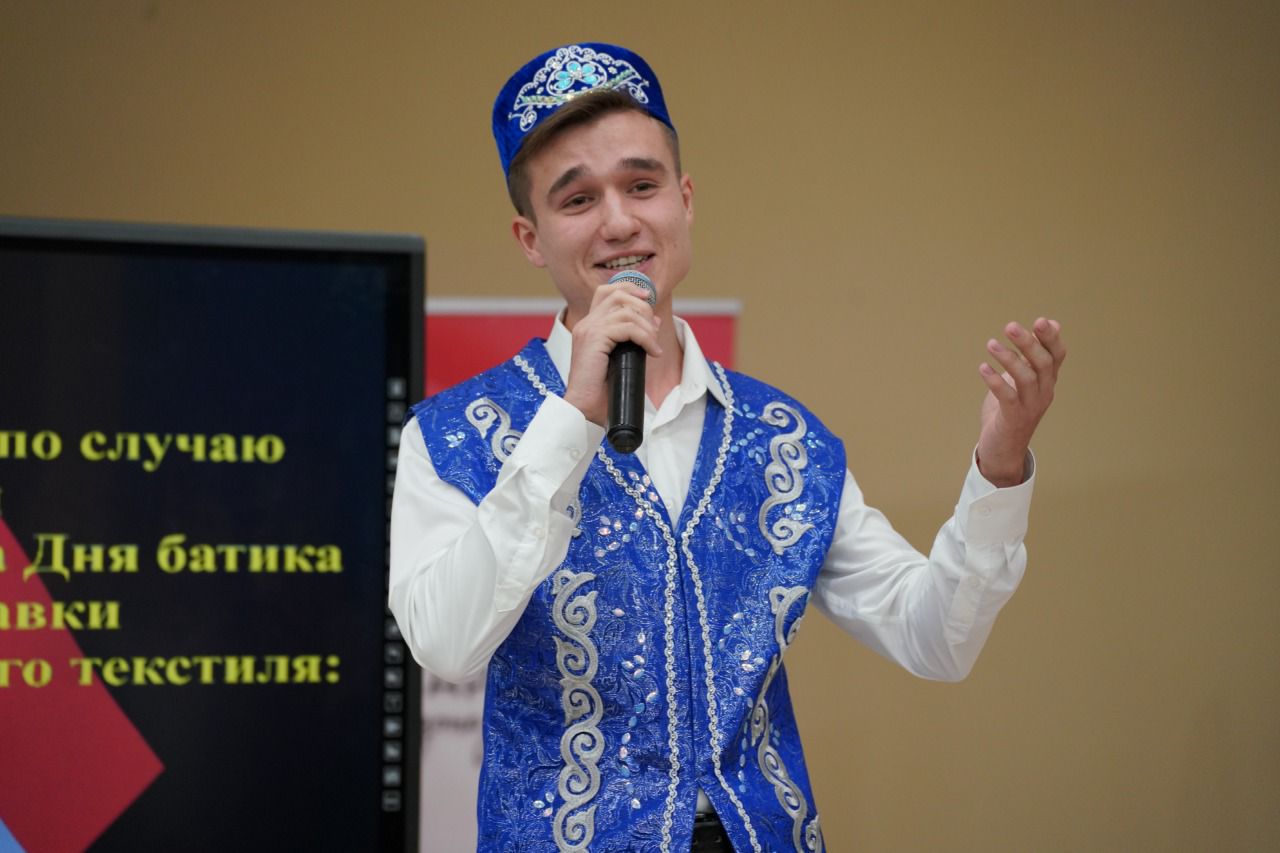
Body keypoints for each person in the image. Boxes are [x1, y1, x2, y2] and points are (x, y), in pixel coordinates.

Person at [389, 42, 1066, 853]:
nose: (619, 221)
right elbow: (446, 643)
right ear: (530, 237)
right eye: (578, 199)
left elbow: (935, 637)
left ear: (684, 199)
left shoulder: (782, 440)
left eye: (642, 185)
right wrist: (569, 421)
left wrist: (999, 467)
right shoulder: (453, 434)